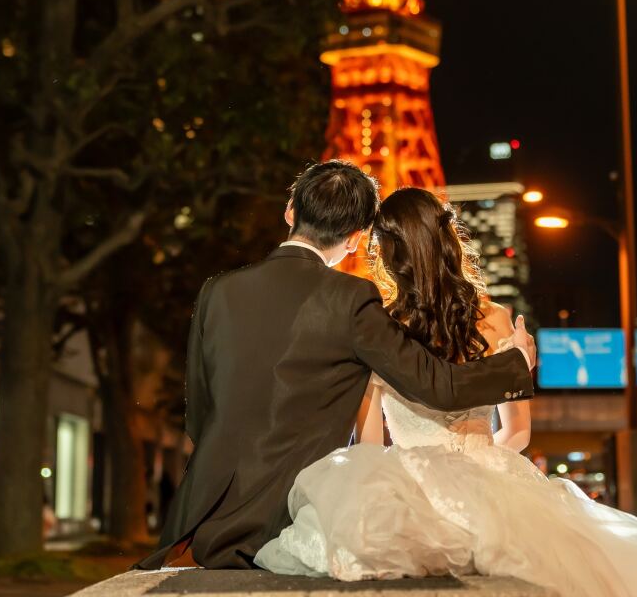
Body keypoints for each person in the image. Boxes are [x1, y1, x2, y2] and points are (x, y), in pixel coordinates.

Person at [257, 187, 637, 597]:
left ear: (387, 253)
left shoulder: (379, 331)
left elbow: (368, 448)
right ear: (448, 240)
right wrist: (473, 468)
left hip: (407, 490)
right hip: (496, 482)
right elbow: (518, 433)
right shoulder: (497, 321)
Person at [135, 161, 535, 570]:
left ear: (291, 210)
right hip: (287, 514)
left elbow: (199, 413)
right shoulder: (353, 300)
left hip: (205, 518)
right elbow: (435, 385)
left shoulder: (217, 291)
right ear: (356, 238)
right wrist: (515, 364)